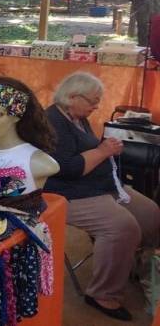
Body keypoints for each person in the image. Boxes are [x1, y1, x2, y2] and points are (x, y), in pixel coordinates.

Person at [44, 71, 160, 321]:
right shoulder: (52, 121)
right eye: (93, 101)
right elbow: (68, 168)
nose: (96, 106)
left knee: (150, 213)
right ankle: (102, 294)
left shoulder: (77, 116)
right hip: (67, 193)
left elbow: (88, 151)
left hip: (98, 183)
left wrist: (104, 150)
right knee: (122, 227)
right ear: (72, 97)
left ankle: (137, 262)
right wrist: (104, 150)